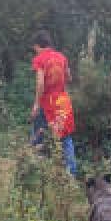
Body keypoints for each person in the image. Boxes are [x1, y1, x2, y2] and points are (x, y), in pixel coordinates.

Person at [30, 30, 78, 177]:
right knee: (65, 137)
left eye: (34, 48)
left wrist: (36, 104)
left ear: (38, 46)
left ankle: (37, 173)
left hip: (47, 103)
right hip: (63, 101)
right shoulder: (62, 57)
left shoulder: (39, 59)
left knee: (38, 134)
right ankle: (71, 174)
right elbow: (69, 77)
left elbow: (40, 83)